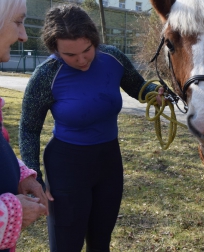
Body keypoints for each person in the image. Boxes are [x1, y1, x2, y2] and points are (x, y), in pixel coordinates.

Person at [18, 4, 163, 252]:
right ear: (55, 49)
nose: (82, 60)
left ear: (94, 40)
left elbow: (138, 88)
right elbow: (29, 129)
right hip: (67, 166)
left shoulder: (112, 57)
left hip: (108, 162)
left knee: (100, 241)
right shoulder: (45, 76)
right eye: (70, 55)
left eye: (87, 50)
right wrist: (33, 176)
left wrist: (155, 94)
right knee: (66, 244)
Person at [0, 1, 48, 251]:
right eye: (18, 22)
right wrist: (9, 213)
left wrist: (19, 175)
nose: (23, 36)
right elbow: (29, 127)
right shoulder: (46, 74)